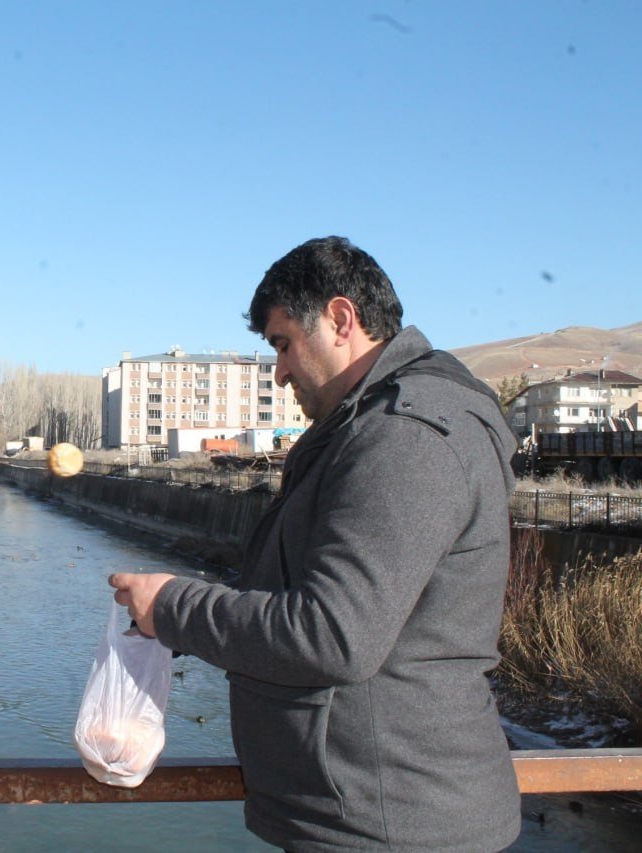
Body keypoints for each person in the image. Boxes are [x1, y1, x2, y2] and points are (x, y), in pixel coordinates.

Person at [110, 236, 521, 851]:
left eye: (282, 344)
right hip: (373, 813)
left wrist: (175, 606)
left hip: (394, 823)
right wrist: (171, 623)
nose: (277, 371)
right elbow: (308, 598)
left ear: (340, 320)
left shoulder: (406, 439)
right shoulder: (364, 431)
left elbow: (332, 635)